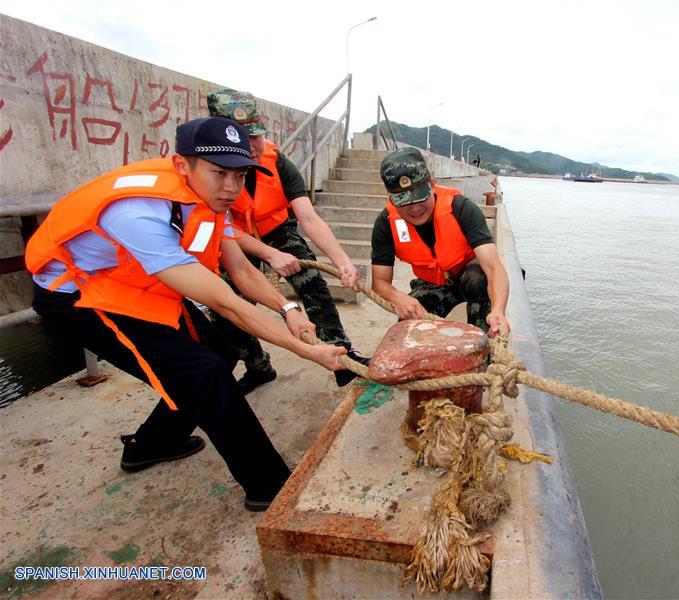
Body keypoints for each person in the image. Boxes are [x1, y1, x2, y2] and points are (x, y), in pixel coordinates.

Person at [26, 117, 346, 511]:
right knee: (203, 371)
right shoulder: (139, 214)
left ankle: (153, 444)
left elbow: (242, 271)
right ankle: (269, 487)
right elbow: (226, 302)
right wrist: (308, 352)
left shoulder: (208, 198)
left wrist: (288, 308)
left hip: (130, 281)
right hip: (78, 296)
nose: (231, 187)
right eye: (219, 173)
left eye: (240, 175)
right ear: (183, 166)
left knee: (224, 353)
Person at [206, 89, 366, 392]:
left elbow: (308, 217)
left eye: (255, 135)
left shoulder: (277, 162)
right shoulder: (207, 171)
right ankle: (258, 366)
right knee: (229, 306)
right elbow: (222, 228)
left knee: (312, 281)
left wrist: (343, 261)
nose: (253, 145)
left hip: (276, 229)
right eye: (243, 137)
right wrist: (267, 254)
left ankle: (342, 356)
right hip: (233, 239)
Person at [370, 147, 510, 336]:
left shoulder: (461, 208)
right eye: (404, 202)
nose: (415, 209)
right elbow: (379, 282)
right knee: (409, 326)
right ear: (392, 199)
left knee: (478, 279)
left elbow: (494, 268)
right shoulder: (385, 224)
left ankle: (485, 341)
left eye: (420, 198)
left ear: (432, 184)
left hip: (469, 278)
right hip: (431, 281)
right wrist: (396, 297)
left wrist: (498, 310)